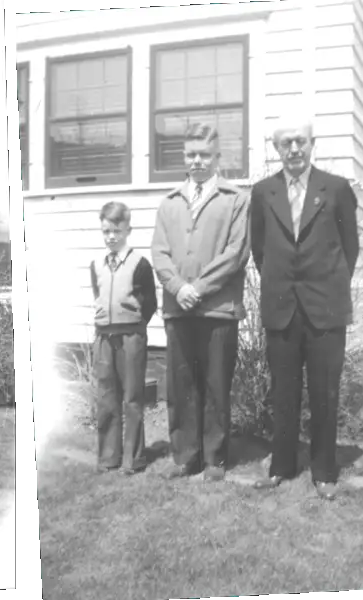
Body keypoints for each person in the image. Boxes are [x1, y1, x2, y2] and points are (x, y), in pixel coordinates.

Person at [250, 115, 359, 501]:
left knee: (325, 391)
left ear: (313, 144)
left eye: (300, 142)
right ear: (276, 149)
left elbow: (350, 248)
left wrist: (326, 286)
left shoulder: (337, 188)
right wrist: (283, 285)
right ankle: (282, 465)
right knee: (283, 390)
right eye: (285, 144)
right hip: (281, 307)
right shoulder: (263, 192)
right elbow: (259, 250)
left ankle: (325, 471)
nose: (294, 149)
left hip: (325, 308)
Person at [150, 123, 251, 481]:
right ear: (184, 156)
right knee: (181, 385)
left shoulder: (235, 199)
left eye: (204, 154)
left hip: (218, 309)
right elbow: (159, 253)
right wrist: (178, 287)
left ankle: (214, 459)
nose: (197, 161)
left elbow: (236, 253)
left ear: (217, 156)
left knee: (214, 384)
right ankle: (186, 456)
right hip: (178, 308)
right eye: (191, 154)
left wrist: (199, 287)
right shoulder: (170, 202)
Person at [90, 201, 158, 476]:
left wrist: (135, 326)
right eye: (106, 231)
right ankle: (109, 457)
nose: (111, 237)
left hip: (130, 336)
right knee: (106, 397)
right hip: (104, 337)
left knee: (132, 397)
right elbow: (98, 295)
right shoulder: (96, 264)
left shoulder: (139, 264)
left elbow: (149, 303)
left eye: (117, 231)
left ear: (128, 230)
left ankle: (133, 458)